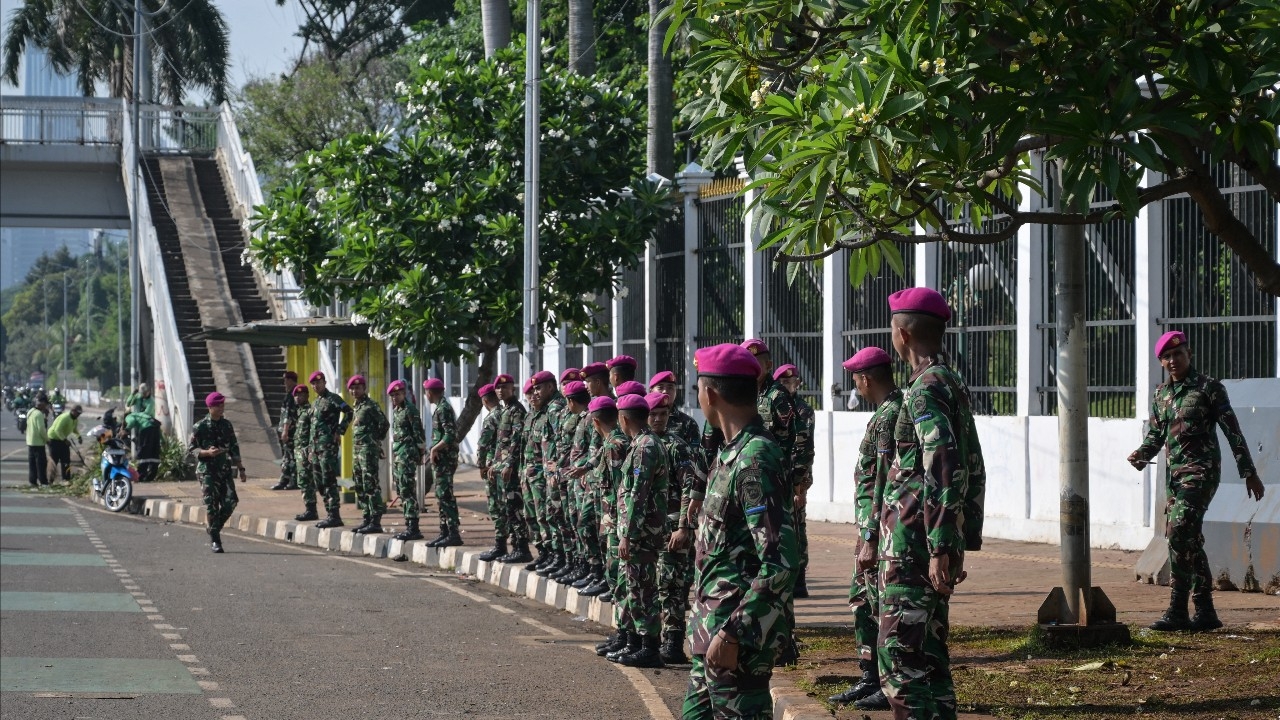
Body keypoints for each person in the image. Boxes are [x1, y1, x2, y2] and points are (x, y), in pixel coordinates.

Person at [878, 287, 986, 720]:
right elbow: (972, 464)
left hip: (913, 547)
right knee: (931, 661)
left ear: (902, 333)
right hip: (930, 542)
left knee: (902, 665)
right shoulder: (949, 380)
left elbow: (943, 462)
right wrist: (959, 537)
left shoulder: (925, 389)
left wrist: (941, 545)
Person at [682, 344, 798, 719]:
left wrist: (734, 633)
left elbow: (779, 561)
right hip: (711, 633)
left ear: (710, 393)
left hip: (735, 641)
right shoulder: (730, 452)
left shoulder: (755, 459)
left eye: (698, 388)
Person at [1128, 330, 1264, 632]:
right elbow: (1156, 434)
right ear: (1162, 362)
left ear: (1189, 355)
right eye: (1167, 357)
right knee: (1187, 537)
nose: (1173, 360)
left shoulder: (1209, 388)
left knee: (1178, 531)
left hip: (1201, 474)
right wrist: (1140, 454)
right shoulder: (1161, 394)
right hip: (1174, 477)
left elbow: (1233, 431)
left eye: (1178, 354)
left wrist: (1249, 472)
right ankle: (1205, 612)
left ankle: (1177, 609)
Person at [827, 348, 902, 710]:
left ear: (865, 378)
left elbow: (883, 481)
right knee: (862, 601)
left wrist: (870, 536)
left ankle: (886, 684)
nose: (854, 382)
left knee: (877, 605)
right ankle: (869, 676)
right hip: (872, 528)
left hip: (880, 532)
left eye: (855, 376)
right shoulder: (884, 413)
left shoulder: (889, 416)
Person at [610, 392, 670, 668]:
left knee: (643, 589)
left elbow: (637, 495)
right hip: (644, 530)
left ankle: (649, 647)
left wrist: (628, 534)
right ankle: (641, 643)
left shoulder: (644, 447)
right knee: (637, 587)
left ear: (623, 419)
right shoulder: (645, 443)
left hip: (642, 532)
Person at [647, 390, 701, 665]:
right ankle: (655, 638)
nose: (658, 419)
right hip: (650, 529)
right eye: (653, 414)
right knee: (654, 584)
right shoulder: (642, 444)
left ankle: (674, 642)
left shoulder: (675, 446)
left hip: (672, 525)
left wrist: (684, 527)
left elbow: (690, 488)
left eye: (663, 414)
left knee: (674, 585)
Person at [590, 396, 634, 656]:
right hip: (613, 520)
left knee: (620, 579)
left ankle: (627, 634)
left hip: (618, 522)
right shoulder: (611, 442)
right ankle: (622, 632)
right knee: (617, 579)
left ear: (596, 422)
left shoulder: (615, 445)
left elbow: (620, 489)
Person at [774, 364, 815, 599]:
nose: (791, 387)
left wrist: (802, 486)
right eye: (786, 383)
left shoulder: (803, 410)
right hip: (774, 478)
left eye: (794, 383)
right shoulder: (770, 405)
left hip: (795, 479)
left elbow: (806, 449)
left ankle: (799, 579)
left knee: (798, 528)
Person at [189, 392, 246, 553]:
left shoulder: (227, 425)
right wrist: (206, 452)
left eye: (222, 405)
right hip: (207, 471)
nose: (221, 408)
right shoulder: (200, 426)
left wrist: (241, 468)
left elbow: (234, 447)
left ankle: (213, 529)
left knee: (231, 501)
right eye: (218, 406)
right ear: (210, 407)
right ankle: (215, 540)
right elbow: (191, 450)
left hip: (224, 470)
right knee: (211, 506)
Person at [551, 380, 593, 584]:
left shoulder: (590, 417)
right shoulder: (581, 417)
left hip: (584, 480)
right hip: (572, 478)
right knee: (573, 522)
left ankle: (591, 569)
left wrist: (577, 469)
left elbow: (591, 451)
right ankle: (577, 564)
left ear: (570, 400)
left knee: (584, 525)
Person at [529, 370, 568, 575]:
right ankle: (552, 555)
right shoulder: (545, 409)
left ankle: (561, 557)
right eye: (534, 388)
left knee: (557, 517)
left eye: (539, 387)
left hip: (556, 474)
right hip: (546, 473)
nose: (535, 392)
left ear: (551, 387)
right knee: (548, 516)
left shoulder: (555, 408)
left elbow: (559, 442)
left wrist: (555, 470)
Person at [491, 374, 533, 563]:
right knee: (508, 508)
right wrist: (494, 462)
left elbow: (516, 440)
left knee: (515, 509)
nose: (501, 391)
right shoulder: (505, 410)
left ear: (512, 389)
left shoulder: (516, 410)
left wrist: (508, 464)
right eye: (498, 388)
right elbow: (501, 443)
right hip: (502, 468)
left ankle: (522, 547)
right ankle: (515, 546)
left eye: (505, 387)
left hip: (513, 470)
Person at [308, 371, 353, 529]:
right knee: (319, 482)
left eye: (318, 383)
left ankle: (334, 515)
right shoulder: (315, 403)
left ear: (324, 382)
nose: (316, 386)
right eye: (313, 384)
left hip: (328, 448)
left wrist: (340, 431)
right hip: (316, 449)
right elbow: (312, 428)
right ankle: (329, 511)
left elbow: (349, 412)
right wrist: (310, 449)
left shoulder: (333, 399)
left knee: (329, 480)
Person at [424, 377, 463, 547]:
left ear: (430, 392)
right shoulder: (440, 408)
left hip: (445, 459)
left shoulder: (444, 409)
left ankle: (453, 532)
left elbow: (450, 434)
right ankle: (444, 531)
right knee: (440, 495)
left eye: (426, 392)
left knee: (445, 495)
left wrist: (435, 449)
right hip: (441, 458)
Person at [348, 374, 390, 535]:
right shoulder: (357, 406)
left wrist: (375, 440)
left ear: (364, 389)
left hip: (368, 451)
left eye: (358, 388)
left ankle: (375, 520)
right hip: (357, 452)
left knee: (371, 484)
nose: (355, 391)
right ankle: (366, 518)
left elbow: (384, 424)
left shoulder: (371, 405)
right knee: (360, 484)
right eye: (352, 388)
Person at [388, 380, 428, 541]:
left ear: (404, 394)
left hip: (407, 455)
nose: (395, 398)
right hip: (399, 454)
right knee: (401, 489)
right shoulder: (397, 410)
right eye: (392, 395)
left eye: (397, 394)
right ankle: (408, 523)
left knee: (407, 489)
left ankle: (413, 526)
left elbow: (418, 432)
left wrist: (420, 452)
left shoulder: (410, 410)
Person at [476, 383, 508, 560]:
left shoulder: (491, 418)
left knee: (496, 507)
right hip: (503, 466)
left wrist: (481, 465)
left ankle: (500, 545)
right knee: (505, 505)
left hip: (491, 468)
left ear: (485, 400)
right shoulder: (505, 413)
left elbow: (483, 444)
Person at [650, 370, 701, 449]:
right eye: (660, 387)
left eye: (670, 387)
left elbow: (695, 455)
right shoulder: (642, 418)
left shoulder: (688, 423)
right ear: (651, 391)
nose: (665, 391)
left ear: (675, 392)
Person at [291, 385, 319, 522]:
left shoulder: (309, 411)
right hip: (298, 452)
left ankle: (311, 510)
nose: (298, 397)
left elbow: (312, 433)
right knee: (302, 481)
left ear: (307, 396)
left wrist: (309, 450)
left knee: (306, 481)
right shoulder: (300, 411)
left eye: (301, 395)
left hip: (305, 452)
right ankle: (309, 508)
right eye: (296, 395)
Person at [126, 382, 161, 483]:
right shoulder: (137, 397)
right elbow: (128, 403)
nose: (143, 394)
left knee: (147, 450)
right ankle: (141, 473)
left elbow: (146, 414)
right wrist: (133, 394)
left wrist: (134, 416)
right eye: (142, 393)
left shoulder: (151, 401)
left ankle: (144, 474)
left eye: (145, 392)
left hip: (147, 427)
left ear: (149, 391)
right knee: (142, 449)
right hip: (140, 427)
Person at [272, 370, 301, 491]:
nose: (284, 382)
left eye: (286, 379)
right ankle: (285, 480)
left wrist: (285, 431)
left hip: (290, 432)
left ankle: (292, 481)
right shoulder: (290, 395)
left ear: (290, 380)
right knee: (287, 457)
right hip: (289, 431)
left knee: (291, 457)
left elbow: (288, 416)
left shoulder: (292, 396)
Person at [47, 403, 83, 483]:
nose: (78, 415)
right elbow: (57, 430)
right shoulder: (65, 417)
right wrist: (64, 440)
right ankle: (50, 479)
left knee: (66, 460)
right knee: (54, 460)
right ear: (73, 411)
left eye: (79, 413)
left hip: (62, 439)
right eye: (78, 413)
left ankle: (66, 479)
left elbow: (74, 430)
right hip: (54, 439)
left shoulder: (75, 419)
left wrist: (79, 436)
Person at [25, 392, 50, 486]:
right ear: (42, 403)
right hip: (38, 442)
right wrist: (47, 440)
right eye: (46, 404)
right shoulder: (39, 414)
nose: (46, 407)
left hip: (30, 441)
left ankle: (32, 481)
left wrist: (46, 417)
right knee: (41, 464)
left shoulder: (30, 411)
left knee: (32, 464)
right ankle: (43, 481)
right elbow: (41, 430)